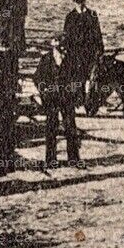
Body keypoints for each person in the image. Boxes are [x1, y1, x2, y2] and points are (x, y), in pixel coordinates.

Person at [34, 39, 82, 170]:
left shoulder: (71, 59)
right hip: (51, 100)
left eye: (63, 47)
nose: (62, 50)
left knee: (71, 128)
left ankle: (74, 159)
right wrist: (44, 90)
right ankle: (50, 160)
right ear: (53, 46)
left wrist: (75, 92)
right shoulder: (46, 59)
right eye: (59, 47)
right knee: (51, 129)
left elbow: (78, 78)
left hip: (67, 99)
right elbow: (37, 78)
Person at [62, 0, 104, 95]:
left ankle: (91, 98)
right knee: (76, 77)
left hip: (90, 51)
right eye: (77, 1)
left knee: (93, 77)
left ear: (84, 0)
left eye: (81, 0)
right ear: (74, 2)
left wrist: (100, 50)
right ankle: (78, 97)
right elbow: (67, 37)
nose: (79, 3)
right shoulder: (70, 17)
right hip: (75, 53)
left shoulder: (92, 15)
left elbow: (98, 35)